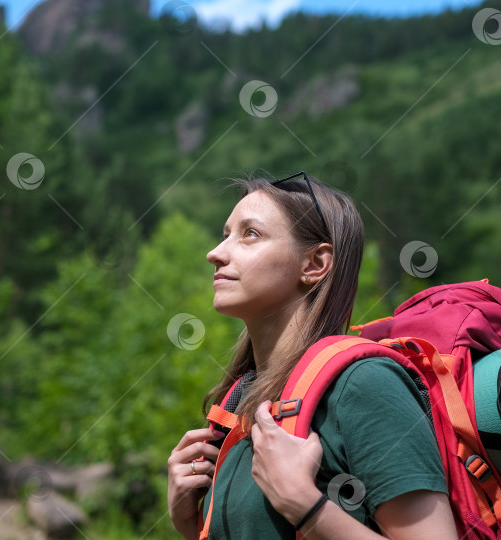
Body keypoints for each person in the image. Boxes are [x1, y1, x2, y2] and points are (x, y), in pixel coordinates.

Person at [167, 173, 459, 539]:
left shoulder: (364, 385)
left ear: (315, 264)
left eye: (250, 234)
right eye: (225, 234)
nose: (216, 252)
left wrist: (304, 504)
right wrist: (186, 520)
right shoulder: (238, 401)